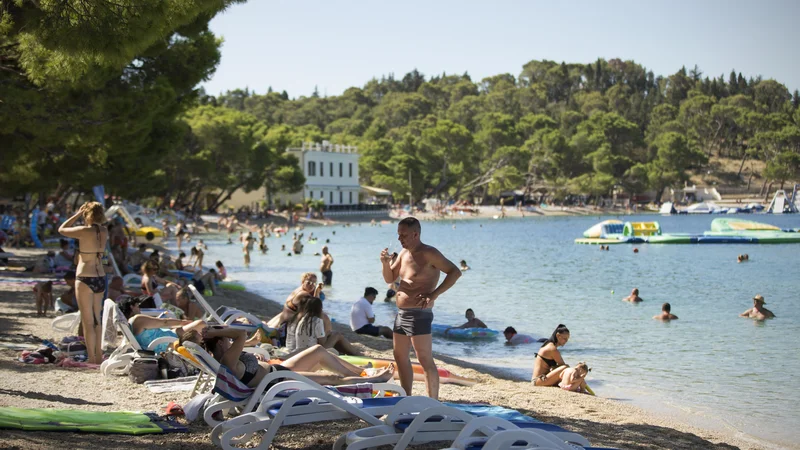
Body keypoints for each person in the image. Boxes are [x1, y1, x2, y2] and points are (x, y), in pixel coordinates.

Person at [380, 216, 462, 399]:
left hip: (419, 313)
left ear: (415, 234)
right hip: (401, 313)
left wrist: (434, 294)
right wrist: (385, 263)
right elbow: (389, 278)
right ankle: (406, 397)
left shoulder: (429, 253)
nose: (400, 238)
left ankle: (432, 402)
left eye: (404, 235)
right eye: (398, 234)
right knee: (400, 356)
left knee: (424, 359)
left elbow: (454, 272)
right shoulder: (403, 253)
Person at [179, 328, 395, 389]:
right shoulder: (227, 359)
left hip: (277, 370)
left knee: (319, 350)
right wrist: (218, 332)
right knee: (331, 377)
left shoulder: (226, 357)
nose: (229, 341)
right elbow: (241, 334)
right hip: (277, 381)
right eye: (225, 339)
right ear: (219, 343)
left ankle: (362, 373)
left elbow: (241, 340)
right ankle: (373, 380)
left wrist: (252, 357)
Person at [58, 201, 109, 364]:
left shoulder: (83, 231)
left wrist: (78, 214)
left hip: (85, 277)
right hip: (100, 276)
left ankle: (92, 358)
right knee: (97, 320)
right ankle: (99, 356)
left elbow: (62, 229)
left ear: (87, 215)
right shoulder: (104, 231)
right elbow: (105, 256)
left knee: (87, 321)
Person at [119, 296, 207, 353]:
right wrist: (182, 322)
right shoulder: (137, 319)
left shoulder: (130, 323)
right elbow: (164, 322)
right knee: (200, 324)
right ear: (132, 307)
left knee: (199, 325)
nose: (139, 308)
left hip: (165, 336)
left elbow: (155, 325)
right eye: (137, 306)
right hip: (167, 341)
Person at [289, 296, 361, 356]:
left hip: (300, 351)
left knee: (333, 335)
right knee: (336, 335)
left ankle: (353, 352)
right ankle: (356, 353)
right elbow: (322, 342)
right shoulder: (317, 321)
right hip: (312, 353)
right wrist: (327, 334)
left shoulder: (303, 320)